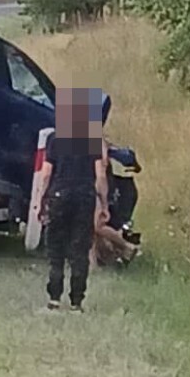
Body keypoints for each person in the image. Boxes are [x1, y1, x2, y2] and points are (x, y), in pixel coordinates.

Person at [39, 87, 109, 312]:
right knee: (79, 249)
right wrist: (104, 204)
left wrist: (41, 200)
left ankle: (54, 298)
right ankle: (77, 301)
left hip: (59, 195)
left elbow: (46, 173)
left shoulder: (55, 139)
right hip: (84, 198)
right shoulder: (91, 141)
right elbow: (100, 175)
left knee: (56, 248)